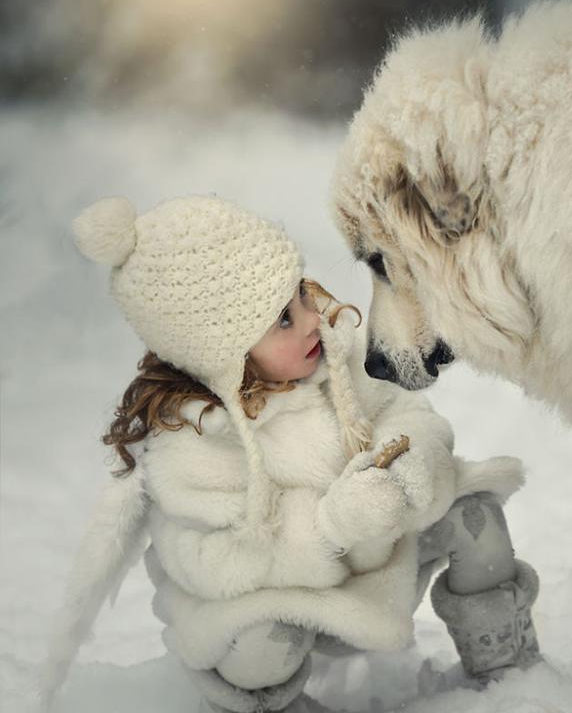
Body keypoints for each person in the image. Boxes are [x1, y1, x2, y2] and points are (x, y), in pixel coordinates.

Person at [38, 195, 541, 713]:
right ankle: (267, 706)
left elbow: (409, 415)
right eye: (282, 319)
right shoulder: (193, 441)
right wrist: (331, 527)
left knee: (475, 516)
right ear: (222, 353)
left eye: (301, 294)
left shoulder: (336, 350)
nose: (309, 321)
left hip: (380, 563)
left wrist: (411, 471)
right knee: (261, 648)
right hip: (283, 596)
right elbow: (211, 563)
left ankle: (505, 668)